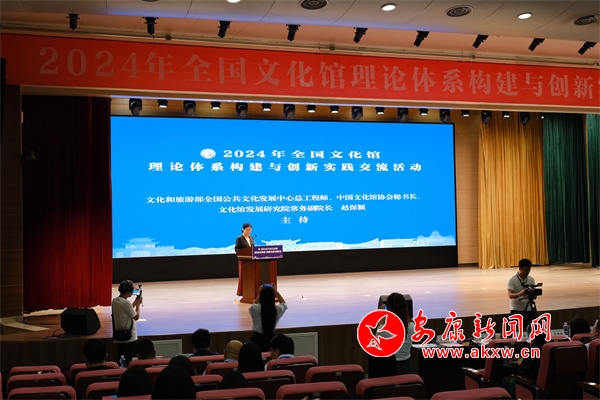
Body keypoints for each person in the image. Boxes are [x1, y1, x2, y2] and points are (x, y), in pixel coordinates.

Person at [112, 279, 143, 364]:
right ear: (128, 291)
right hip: (129, 338)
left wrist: (135, 302)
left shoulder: (115, 301)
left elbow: (127, 310)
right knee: (131, 361)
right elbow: (136, 316)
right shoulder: (126, 303)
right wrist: (138, 305)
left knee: (121, 359)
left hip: (119, 336)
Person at [249, 285, 288, 351]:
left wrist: (260, 294)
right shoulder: (277, 310)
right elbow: (284, 304)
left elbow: (253, 305)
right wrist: (276, 293)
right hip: (271, 340)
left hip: (256, 340)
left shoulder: (255, 309)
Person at [387, 292, 416, 374]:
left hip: (390, 367)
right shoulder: (411, 326)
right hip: (407, 365)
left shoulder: (384, 329)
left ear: (389, 308)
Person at [507, 258, 537, 331]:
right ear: (520, 268)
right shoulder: (512, 279)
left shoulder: (531, 279)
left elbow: (534, 296)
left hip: (529, 309)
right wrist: (521, 294)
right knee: (517, 332)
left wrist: (533, 294)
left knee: (529, 331)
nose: (527, 272)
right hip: (516, 309)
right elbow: (510, 295)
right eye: (525, 270)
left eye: (529, 270)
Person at [234, 223, 255, 296]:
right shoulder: (239, 238)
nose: (248, 231)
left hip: (252, 260)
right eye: (247, 230)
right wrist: (243, 252)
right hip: (244, 260)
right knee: (244, 276)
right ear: (243, 229)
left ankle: (251, 291)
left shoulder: (251, 238)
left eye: (250, 230)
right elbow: (237, 249)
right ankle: (243, 292)